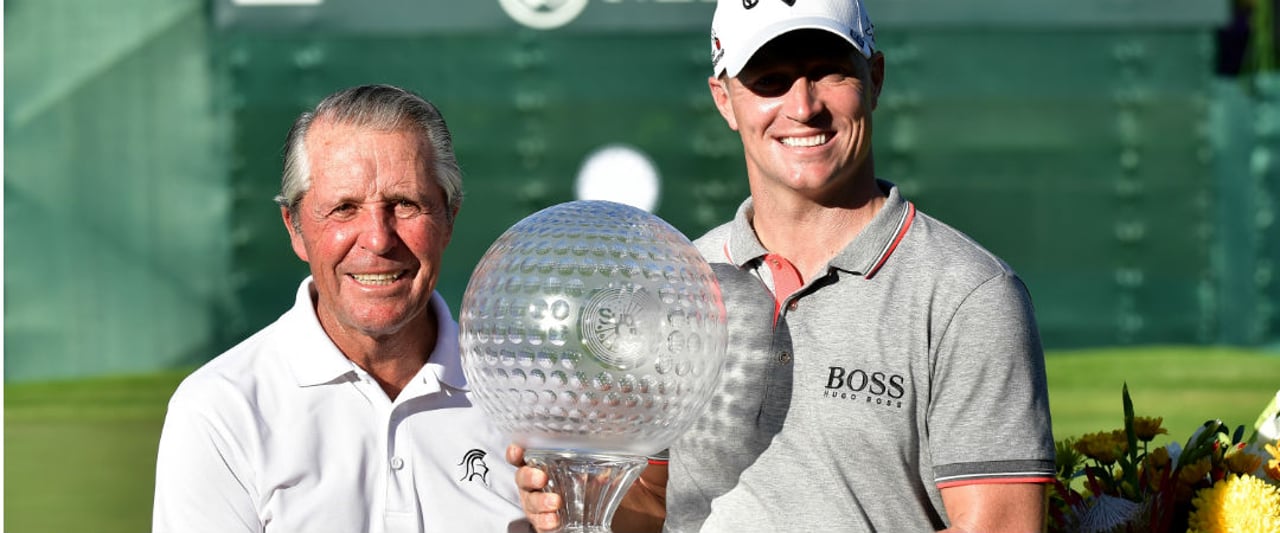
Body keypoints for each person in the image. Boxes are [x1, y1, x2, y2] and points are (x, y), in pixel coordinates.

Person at [510, 0, 1056, 531]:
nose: (803, 107)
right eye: (769, 79)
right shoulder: (676, 282)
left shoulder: (969, 294)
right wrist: (579, 496)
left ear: (876, 78)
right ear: (724, 99)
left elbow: (1001, 526)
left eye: (828, 72)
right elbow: (654, 500)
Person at [153, 84, 532, 533]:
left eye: (405, 205)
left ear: (449, 218)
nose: (377, 238)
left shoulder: (534, 392)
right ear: (294, 228)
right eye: (344, 208)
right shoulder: (220, 409)